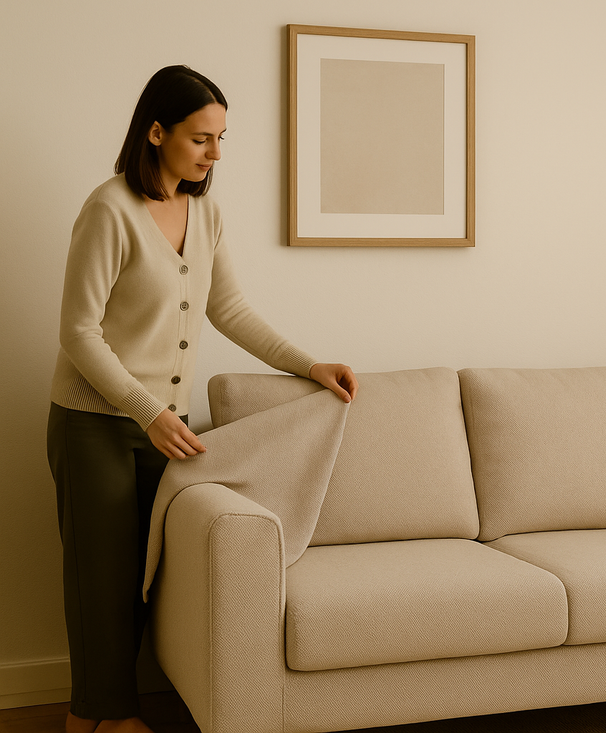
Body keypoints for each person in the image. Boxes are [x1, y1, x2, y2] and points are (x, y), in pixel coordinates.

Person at [46, 65, 358, 733]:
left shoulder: (205, 211)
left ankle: (95, 714)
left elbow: (232, 309)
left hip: (165, 424)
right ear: (156, 132)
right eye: (201, 138)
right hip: (96, 421)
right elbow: (77, 331)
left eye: (221, 138)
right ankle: (104, 716)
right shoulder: (109, 209)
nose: (216, 154)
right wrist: (147, 410)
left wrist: (309, 364)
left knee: (148, 577)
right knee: (98, 579)